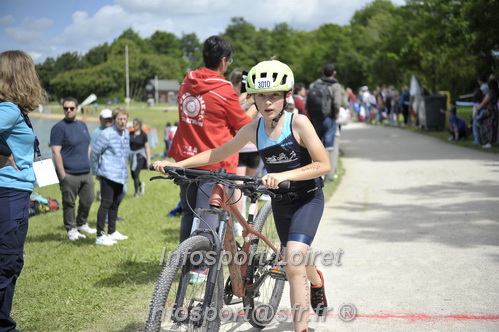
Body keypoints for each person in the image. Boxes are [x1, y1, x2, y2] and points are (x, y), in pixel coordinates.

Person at [155, 60, 331, 332]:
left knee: (294, 262)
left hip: (307, 198)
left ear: (287, 95)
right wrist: (178, 164)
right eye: (261, 95)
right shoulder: (253, 129)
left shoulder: (299, 123)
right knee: (300, 260)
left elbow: (323, 164)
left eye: (274, 95)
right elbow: (218, 153)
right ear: (253, 97)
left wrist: (284, 176)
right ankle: (317, 280)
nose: (268, 102)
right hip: (281, 203)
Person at [167, 35, 251, 243]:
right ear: (223, 61)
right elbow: (242, 125)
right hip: (215, 163)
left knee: (189, 214)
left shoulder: (188, 81)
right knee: (207, 219)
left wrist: (239, 101)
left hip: (187, 159)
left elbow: (209, 113)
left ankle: (186, 261)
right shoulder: (225, 90)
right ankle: (200, 271)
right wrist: (255, 105)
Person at [0, 50, 45, 332]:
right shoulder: (8, 110)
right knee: (6, 262)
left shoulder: (13, 109)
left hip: (16, 191)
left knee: (12, 262)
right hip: (9, 193)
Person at [50, 97, 96, 241]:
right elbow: (56, 152)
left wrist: (88, 162)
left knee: (88, 199)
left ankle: (82, 223)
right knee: (69, 203)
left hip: (86, 171)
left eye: (71, 108)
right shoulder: (58, 128)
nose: (68, 111)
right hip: (69, 174)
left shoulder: (82, 125)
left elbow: (87, 145)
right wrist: (62, 173)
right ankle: (71, 229)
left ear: (77, 109)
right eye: (66, 108)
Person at [90, 107, 130, 245]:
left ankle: (112, 232)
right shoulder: (106, 134)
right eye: (119, 119)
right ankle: (100, 235)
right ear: (114, 120)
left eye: (124, 119)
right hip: (107, 174)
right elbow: (95, 153)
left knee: (115, 203)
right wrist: (96, 171)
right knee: (105, 203)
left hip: (120, 175)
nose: (122, 122)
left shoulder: (126, 133)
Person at [229, 68, 260, 233]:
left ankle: (237, 223)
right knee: (251, 185)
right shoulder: (258, 98)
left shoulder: (236, 100)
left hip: (240, 147)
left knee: (238, 187)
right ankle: (253, 223)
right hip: (256, 147)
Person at [308, 63, 343, 181]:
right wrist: (336, 115)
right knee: (327, 147)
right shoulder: (336, 86)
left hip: (315, 118)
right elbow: (337, 103)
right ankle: (324, 175)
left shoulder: (314, 84)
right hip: (329, 118)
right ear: (334, 73)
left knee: (315, 145)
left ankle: (315, 173)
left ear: (323, 72)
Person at [129, 118, 150, 197]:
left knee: (136, 173)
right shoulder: (130, 134)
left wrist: (148, 160)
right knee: (133, 175)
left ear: (140, 125)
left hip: (140, 156)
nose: (134, 125)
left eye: (136, 124)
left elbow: (147, 147)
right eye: (133, 124)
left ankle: (136, 193)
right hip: (132, 157)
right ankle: (141, 185)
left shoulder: (143, 135)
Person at [476, 79, 499, 148]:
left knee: (488, 126)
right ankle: (492, 141)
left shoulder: (490, 93)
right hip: (495, 110)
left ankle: (488, 142)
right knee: (494, 125)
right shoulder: (496, 93)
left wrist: (478, 108)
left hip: (489, 110)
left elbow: (484, 102)